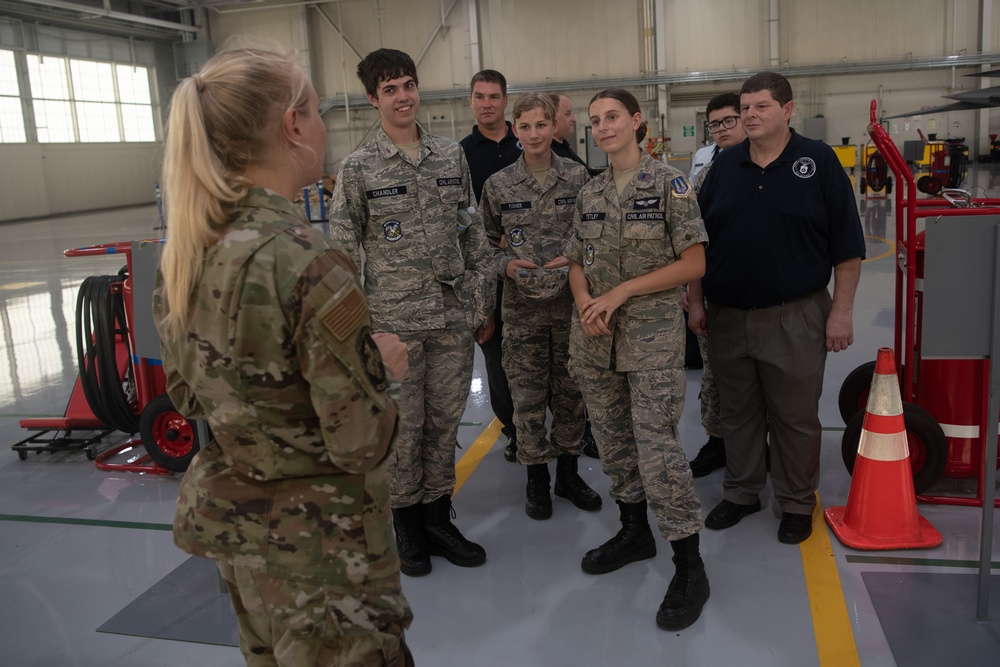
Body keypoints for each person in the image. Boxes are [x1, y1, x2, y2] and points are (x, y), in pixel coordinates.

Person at [153, 47, 414, 665]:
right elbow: (359, 442)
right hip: (326, 556)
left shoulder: (188, 253)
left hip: (244, 544)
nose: (324, 128)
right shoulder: (306, 261)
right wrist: (383, 371)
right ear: (293, 126)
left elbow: (190, 396)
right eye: (318, 113)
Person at [329, 49, 496, 577]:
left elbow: (471, 232)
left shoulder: (451, 156)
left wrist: (478, 302)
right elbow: (342, 254)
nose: (403, 97)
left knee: (445, 424)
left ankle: (437, 517)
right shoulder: (357, 169)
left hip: (450, 320)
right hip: (393, 324)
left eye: (408, 85)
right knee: (403, 429)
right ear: (372, 99)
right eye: (390, 90)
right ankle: (406, 526)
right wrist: (358, 330)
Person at [689, 72, 865, 545]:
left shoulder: (819, 161)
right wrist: (696, 301)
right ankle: (743, 491)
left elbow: (848, 249)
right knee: (738, 413)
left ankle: (794, 501)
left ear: (787, 110)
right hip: (728, 316)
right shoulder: (724, 167)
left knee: (795, 417)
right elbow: (696, 244)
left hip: (796, 315)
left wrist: (841, 313)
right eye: (745, 107)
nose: (749, 115)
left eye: (761, 107)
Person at [566, 88, 710, 631]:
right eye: (595, 120)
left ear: (636, 121)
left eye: (612, 118)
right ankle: (634, 531)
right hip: (596, 340)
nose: (603, 127)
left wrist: (624, 291)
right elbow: (577, 260)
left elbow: (694, 260)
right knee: (615, 445)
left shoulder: (670, 183)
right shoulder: (591, 190)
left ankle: (689, 566)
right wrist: (583, 301)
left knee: (658, 451)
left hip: (650, 341)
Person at [480, 92, 599, 519]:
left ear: (554, 127)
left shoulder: (577, 177)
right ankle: (536, 481)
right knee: (527, 399)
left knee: (571, 395)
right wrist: (508, 265)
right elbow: (481, 250)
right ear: (515, 130)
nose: (533, 134)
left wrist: (577, 257)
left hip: (571, 307)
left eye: (541, 125)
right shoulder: (497, 186)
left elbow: (593, 237)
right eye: (525, 126)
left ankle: (568, 474)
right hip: (522, 311)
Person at [459, 69, 521, 462]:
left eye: (493, 96)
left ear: (505, 100)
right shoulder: (459, 153)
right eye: (479, 96)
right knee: (497, 355)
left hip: (538, 269)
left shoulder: (530, 140)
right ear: (471, 101)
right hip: (487, 273)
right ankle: (514, 429)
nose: (486, 104)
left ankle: (569, 425)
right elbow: (457, 216)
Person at [685, 92, 746, 478]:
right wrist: (694, 300)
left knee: (760, 382)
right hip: (717, 296)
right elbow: (691, 242)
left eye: (729, 121)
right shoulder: (704, 176)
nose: (722, 129)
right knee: (715, 375)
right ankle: (718, 442)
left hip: (766, 299)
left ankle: (756, 447)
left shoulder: (773, 168)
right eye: (715, 124)